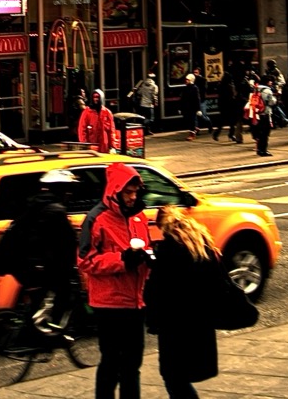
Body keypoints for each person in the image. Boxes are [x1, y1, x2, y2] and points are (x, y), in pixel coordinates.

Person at [79, 163, 152, 399]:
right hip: (109, 304)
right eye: (128, 192)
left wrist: (149, 258)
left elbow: (147, 246)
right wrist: (122, 260)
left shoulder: (139, 217)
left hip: (135, 301)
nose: (133, 197)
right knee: (111, 361)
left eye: (135, 192)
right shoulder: (96, 219)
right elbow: (85, 261)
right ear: (115, 191)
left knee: (132, 364)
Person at [144, 206, 221, 399]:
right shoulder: (202, 244)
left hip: (175, 326)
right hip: (200, 323)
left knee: (174, 378)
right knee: (181, 378)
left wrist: (152, 320)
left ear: (164, 226)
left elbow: (157, 289)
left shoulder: (168, 250)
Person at [0, 168, 79, 331]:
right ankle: (51, 331)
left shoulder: (33, 204)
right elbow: (67, 242)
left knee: (40, 298)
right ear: (62, 190)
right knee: (64, 290)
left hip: (17, 261)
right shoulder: (56, 210)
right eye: (68, 190)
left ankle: (33, 326)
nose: (70, 194)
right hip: (33, 264)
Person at [244, 77, 275, 156]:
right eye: (270, 81)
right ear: (267, 82)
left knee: (260, 132)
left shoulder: (256, 89)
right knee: (265, 133)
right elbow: (271, 102)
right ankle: (263, 150)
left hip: (257, 113)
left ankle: (259, 149)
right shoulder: (267, 91)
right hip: (265, 112)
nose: (271, 82)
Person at [78, 89, 116, 153]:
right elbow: (82, 130)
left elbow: (111, 131)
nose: (96, 99)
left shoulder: (107, 113)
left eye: (98, 97)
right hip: (91, 148)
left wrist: (112, 146)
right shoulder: (86, 112)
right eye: (94, 97)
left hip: (104, 147)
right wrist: (85, 146)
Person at [179, 74, 201, 141]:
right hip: (186, 107)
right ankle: (195, 129)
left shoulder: (195, 88)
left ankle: (192, 134)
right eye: (186, 79)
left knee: (192, 121)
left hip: (192, 108)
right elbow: (182, 98)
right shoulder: (185, 88)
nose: (186, 81)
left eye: (187, 79)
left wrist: (198, 109)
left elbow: (197, 99)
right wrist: (180, 108)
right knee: (188, 120)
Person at [192, 67, 213, 134]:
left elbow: (204, 89)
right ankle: (196, 130)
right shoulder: (192, 80)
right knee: (195, 116)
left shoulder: (203, 80)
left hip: (201, 100)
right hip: (194, 100)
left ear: (199, 73)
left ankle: (209, 124)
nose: (195, 74)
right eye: (194, 72)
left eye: (196, 72)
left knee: (202, 115)